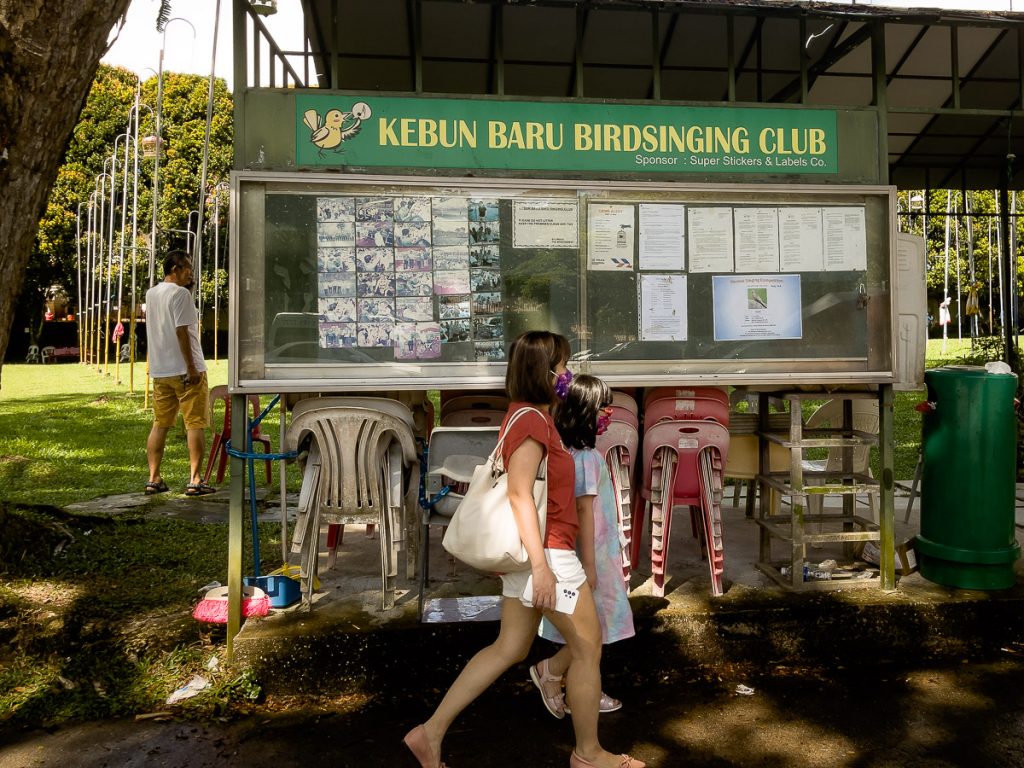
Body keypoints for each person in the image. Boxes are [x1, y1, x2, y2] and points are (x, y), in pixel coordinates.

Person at [403, 331, 645, 768]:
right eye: (562, 365)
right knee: (589, 650)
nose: (567, 375)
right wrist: (542, 568)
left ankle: (430, 732)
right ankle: (589, 755)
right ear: (545, 370)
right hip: (548, 554)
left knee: (509, 648)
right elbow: (518, 493)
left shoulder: (525, 415)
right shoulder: (533, 421)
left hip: (536, 556)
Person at [533, 374, 635, 717]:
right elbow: (584, 511)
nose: (608, 413)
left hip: (583, 552)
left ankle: (567, 681)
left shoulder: (565, 452)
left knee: (587, 630)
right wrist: (590, 565)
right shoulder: (587, 458)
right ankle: (559, 676)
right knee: (593, 631)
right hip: (592, 556)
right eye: (603, 406)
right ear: (586, 411)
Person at [144, 251, 215, 497]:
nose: (191, 274)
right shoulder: (181, 294)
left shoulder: (151, 294)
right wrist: (192, 367)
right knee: (195, 423)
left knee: (160, 424)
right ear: (175, 268)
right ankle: (195, 479)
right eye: (188, 269)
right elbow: (182, 332)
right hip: (186, 370)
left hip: (161, 370)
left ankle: (153, 478)